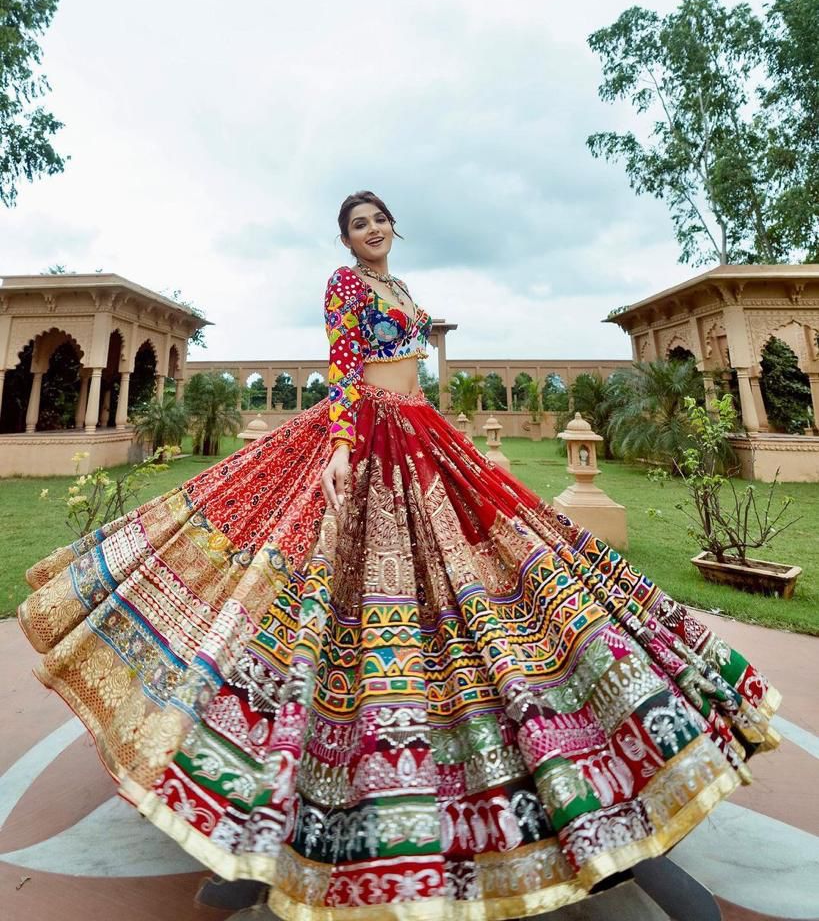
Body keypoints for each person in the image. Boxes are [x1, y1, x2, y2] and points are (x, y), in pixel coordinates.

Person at [18, 190, 781, 921]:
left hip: (423, 428)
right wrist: (345, 444)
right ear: (344, 238)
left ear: (393, 227)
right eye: (357, 222)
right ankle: (272, 807)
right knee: (319, 579)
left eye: (379, 218)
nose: (371, 228)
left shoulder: (403, 285)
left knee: (495, 565)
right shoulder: (343, 285)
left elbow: (409, 365)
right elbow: (346, 366)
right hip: (369, 431)